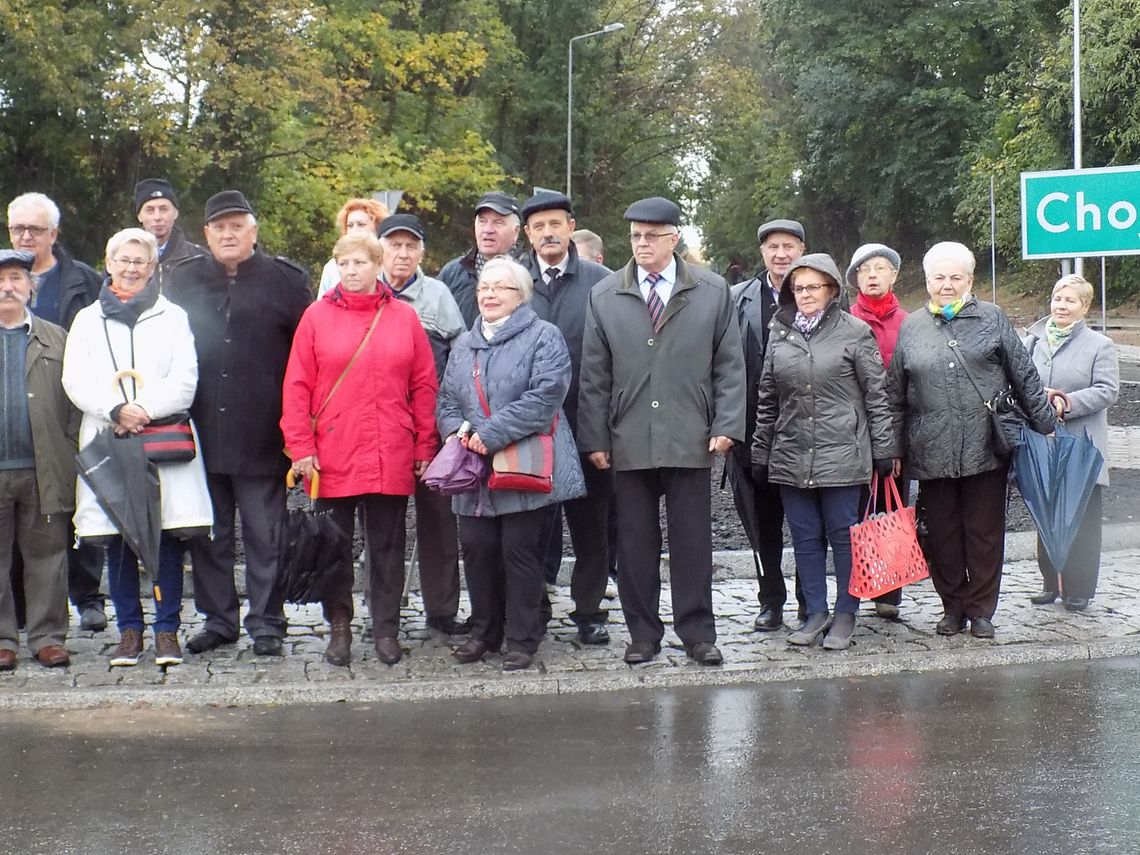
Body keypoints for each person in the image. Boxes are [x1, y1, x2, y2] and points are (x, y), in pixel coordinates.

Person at [578, 196, 746, 666]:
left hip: (691, 433)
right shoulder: (606, 294)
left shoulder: (713, 292)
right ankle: (643, 634)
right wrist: (594, 438)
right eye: (635, 236)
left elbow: (730, 365)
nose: (642, 244)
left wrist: (727, 424)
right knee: (635, 542)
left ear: (674, 238)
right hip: (628, 436)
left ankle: (698, 633)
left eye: (652, 235)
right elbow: (594, 374)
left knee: (693, 540)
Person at [165, 190, 312, 656]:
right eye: (218, 227)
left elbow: (306, 359)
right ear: (206, 234)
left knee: (265, 534)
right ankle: (219, 619)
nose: (227, 234)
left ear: (254, 230)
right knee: (210, 536)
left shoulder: (287, 281)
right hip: (200, 432)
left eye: (236, 225)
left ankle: (267, 620)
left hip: (263, 432)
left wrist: (299, 429)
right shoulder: (182, 280)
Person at [282, 231, 439, 666]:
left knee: (387, 546)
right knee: (333, 546)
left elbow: (423, 385)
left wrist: (424, 443)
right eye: (344, 263)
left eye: (360, 263)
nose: (352, 272)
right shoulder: (315, 317)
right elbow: (296, 386)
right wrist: (300, 446)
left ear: (378, 266)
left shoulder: (403, 318)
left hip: (389, 446)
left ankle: (386, 626)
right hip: (334, 451)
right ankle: (339, 626)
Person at [888, 241, 1057, 638]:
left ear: (969, 280)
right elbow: (895, 393)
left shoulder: (993, 318)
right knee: (941, 535)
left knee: (984, 532)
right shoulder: (912, 327)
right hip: (931, 448)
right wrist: (890, 448)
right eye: (939, 277)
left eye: (955, 277)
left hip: (986, 446)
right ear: (928, 280)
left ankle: (981, 609)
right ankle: (952, 606)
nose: (947, 285)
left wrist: (1046, 426)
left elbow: (1024, 375)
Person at [62, 229, 213, 667]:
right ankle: (129, 631)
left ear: (153, 268)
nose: (131, 268)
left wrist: (143, 408)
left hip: (160, 440)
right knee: (120, 539)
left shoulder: (173, 318)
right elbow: (75, 379)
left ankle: (167, 630)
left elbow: (185, 380)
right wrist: (115, 409)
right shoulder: (88, 320)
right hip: (111, 440)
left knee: (166, 537)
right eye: (123, 260)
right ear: (108, 263)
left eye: (140, 261)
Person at [436, 257, 585, 672]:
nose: (489, 294)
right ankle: (484, 631)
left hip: (525, 464)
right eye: (484, 287)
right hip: (474, 468)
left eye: (500, 287)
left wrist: (491, 433)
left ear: (521, 296)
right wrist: (455, 432)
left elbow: (545, 396)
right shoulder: (465, 343)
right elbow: (446, 398)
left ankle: (522, 637)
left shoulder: (544, 336)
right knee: (479, 550)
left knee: (519, 552)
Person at [752, 254, 896, 649]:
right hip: (791, 452)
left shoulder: (855, 331)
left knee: (844, 537)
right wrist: (761, 451)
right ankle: (815, 611)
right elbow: (767, 398)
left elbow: (876, 396)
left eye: (813, 286)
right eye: (798, 288)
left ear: (832, 289)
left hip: (842, 453)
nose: (805, 294)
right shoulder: (779, 333)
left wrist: (884, 448)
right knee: (804, 538)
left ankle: (846, 612)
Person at [6, 192, 106, 632]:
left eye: (36, 229)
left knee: (56, 545)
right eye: (18, 228)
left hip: (51, 448)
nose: (8, 286)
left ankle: (63, 621)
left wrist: (71, 447)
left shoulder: (73, 303)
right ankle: (8, 633)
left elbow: (82, 382)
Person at [520, 191, 613, 645]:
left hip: (587, 423)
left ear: (572, 227)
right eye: (538, 227)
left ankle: (590, 609)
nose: (548, 233)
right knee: (533, 524)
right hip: (530, 430)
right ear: (528, 235)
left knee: (591, 525)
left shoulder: (601, 282)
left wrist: (603, 431)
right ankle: (533, 604)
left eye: (555, 224)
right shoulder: (514, 283)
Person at [375, 214, 468, 636]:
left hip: (434, 428)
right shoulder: (365, 293)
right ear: (381, 250)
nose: (403, 253)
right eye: (394, 245)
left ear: (422, 253)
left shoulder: (439, 294)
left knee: (440, 523)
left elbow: (462, 355)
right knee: (383, 528)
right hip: (382, 430)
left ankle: (443, 610)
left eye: (411, 246)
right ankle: (383, 613)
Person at [728, 218, 807, 633]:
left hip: (806, 433)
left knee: (807, 524)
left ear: (802, 249)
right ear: (762, 253)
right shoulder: (737, 298)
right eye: (773, 247)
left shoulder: (822, 295)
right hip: (750, 432)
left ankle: (809, 600)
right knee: (762, 524)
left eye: (789, 246)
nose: (781, 254)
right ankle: (770, 599)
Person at [0, 249, 77, 670]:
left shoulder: (56, 338)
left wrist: (67, 453)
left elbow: (74, 405)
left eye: (15, 277)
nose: (7, 287)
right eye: (0, 280)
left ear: (32, 287)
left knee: (48, 557)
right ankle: (3, 640)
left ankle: (48, 636)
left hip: (43, 467)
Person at [1023, 274, 1119, 611]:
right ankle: (1051, 582)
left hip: (1082, 446)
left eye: (1070, 301)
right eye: (1057, 299)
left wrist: (1068, 402)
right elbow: (1021, 382)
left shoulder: (1099, 345)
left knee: (1081, 518)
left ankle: (1079, 589)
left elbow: (1108, 390)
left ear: (1084, 307)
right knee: (1046, 513)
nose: (1061, 306)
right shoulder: (1032, 341)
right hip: (1043, 443)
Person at [846, 242, 910, 620]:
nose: (873, 275)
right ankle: (854, 586)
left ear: (894, 275)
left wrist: (896, 445)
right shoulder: (844, 320)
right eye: (865, 269)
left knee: (890, 511)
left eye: (880, 268)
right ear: (855, 278)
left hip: (895, 433)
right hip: (851, 435)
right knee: (853, 514)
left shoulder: (909, 322)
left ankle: (889, 592)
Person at [438, 192, 521, 328]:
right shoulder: (452, 273)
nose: (488, 230)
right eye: (482, 221)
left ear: (516, 232)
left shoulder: (528, 276)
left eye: (498, 223)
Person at [133, 178, 206, 289]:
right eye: (150, 210)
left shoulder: (198, 258)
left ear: (175, 213)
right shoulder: (124, 260)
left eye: (163, 209)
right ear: (139, 216)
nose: (157, 217)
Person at [316, 198, 389, 297]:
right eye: (350, 225)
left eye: (361, 224)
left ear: (377, 227)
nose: (355, 230)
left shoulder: (388, 262)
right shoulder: (332, 267)